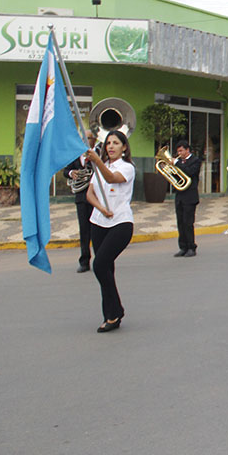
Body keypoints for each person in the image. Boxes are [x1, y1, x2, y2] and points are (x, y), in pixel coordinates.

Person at [84, 130, 135, 333]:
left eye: (116, 143)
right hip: (98, 222)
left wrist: (97, 161)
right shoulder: (101, 166)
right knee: (106, 270)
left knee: (99, 264)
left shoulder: (127, 167)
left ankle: (115, 311)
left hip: (120, 223)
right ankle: (111, 314)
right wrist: (101, 207)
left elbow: (113, 179)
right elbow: (89, 193)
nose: (111, 146)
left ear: (124, 147)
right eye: (108, 143)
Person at [63, 130, 96, 273]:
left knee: (97, 230)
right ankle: (84, 261)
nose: (87, 140)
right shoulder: (75, 155)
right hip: (82, 198)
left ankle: (100, 259)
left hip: (97, 197)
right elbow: (66, 171)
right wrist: (72, 173)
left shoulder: (99, 155)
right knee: (84, 230)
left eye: (89, 138)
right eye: (84, 138)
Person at [173, 139, 201, 257]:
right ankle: (183, 247)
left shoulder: (196, 160)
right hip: (179, 195)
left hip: (190, 196)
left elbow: (190, 172)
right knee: (180, 222)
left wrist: (176, 164)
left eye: (181, 151)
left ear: (187, 150)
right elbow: (176, 176)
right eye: (178, 151)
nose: (179, 153)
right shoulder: (179, 161)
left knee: (188, 222)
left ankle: (191, 247)